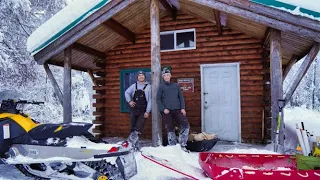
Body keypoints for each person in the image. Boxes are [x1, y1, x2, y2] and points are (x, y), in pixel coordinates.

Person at [156, 68, 190, 152]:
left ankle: (182, 145)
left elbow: (181, 97)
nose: (166, 77)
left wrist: (182, 108)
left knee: (185, 125)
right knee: (170, 128)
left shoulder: (176, 85)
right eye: (165, 75)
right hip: (167, 111)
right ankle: (173, 147)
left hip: (177, 110)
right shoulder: (161, 86)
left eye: (168, 75)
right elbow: (158, 99)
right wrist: (163, 109)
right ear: (163, 77)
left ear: (170, 76)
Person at [125, 70, 151, 150]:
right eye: (139, 75)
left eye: (142, 75)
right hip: (134, 110)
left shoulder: (149, 87)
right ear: (137, 77)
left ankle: (130, 144)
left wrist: (147, 111)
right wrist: (129, 101)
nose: (141, 77)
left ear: (144, 77)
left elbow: (150, 100)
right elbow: (126, 93)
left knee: (138, 128)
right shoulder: (134, 86)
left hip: (143, 111)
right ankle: (135, 145)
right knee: (133, 128)